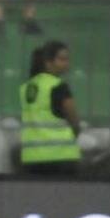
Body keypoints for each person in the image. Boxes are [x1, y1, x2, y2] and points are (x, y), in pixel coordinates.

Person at [19, 40, 82, 175]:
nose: (67, 64)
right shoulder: (58, 86)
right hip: (61, 157)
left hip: (32, 158)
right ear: (48, 63)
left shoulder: (26, 87)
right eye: (62, 59)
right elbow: (74, 121)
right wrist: (74, 134)